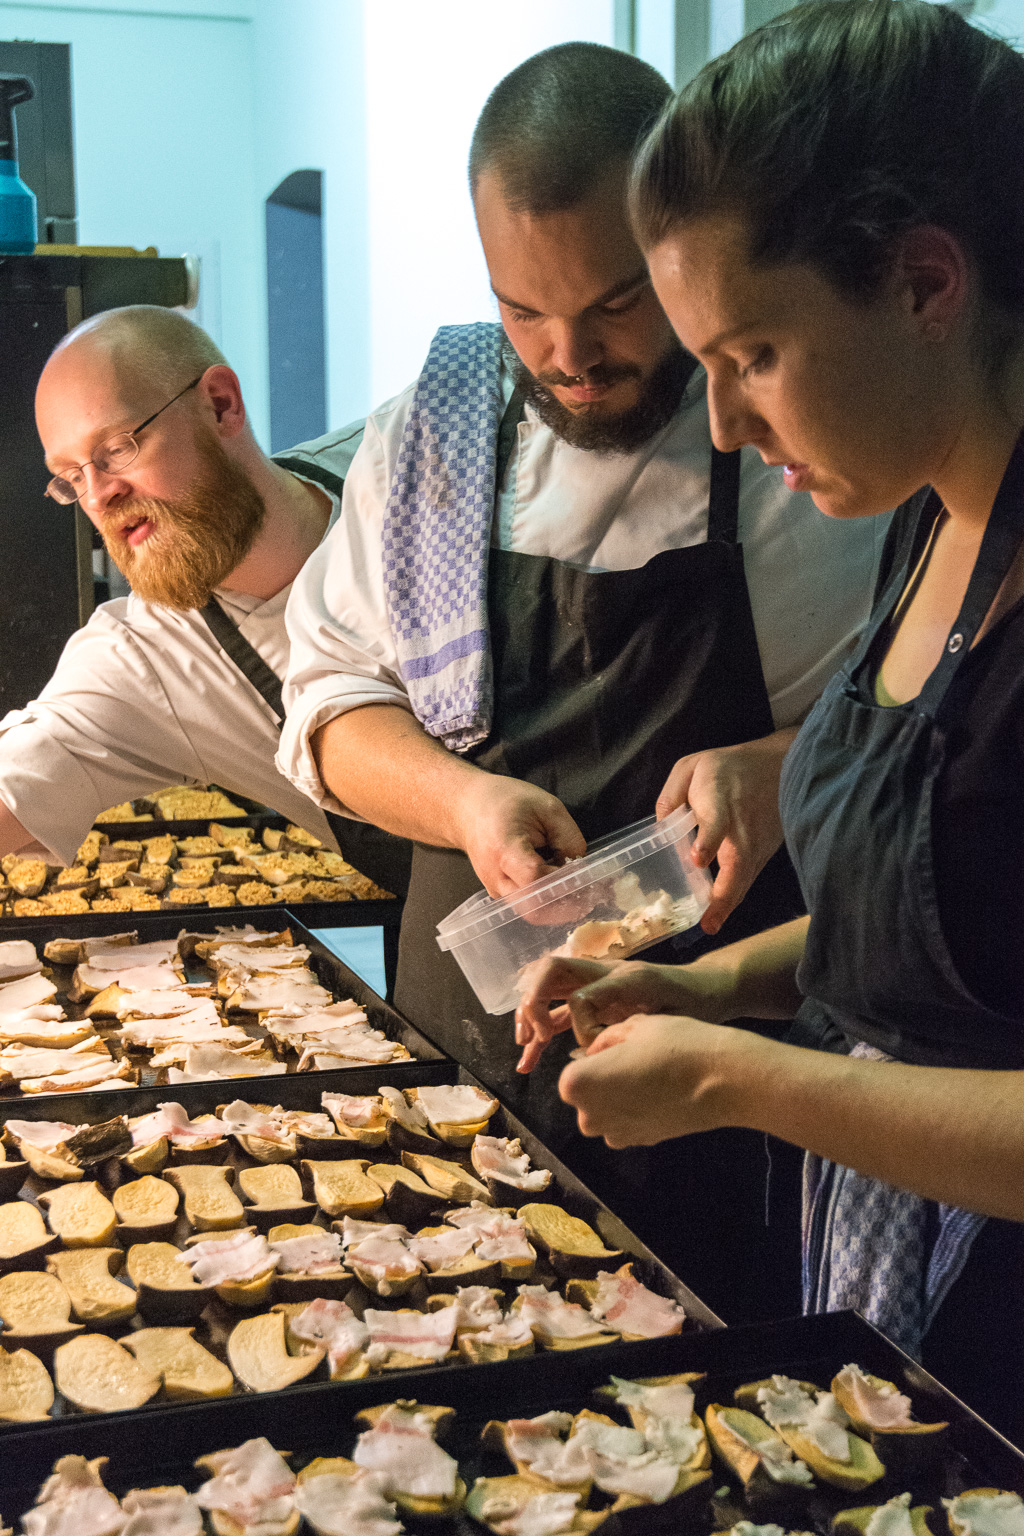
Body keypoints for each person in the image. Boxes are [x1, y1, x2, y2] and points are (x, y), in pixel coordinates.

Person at [279, 43, 888, 1312]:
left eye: (615, 304)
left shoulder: (801, 432)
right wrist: (465, 805)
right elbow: (329, 705)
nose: (568, 354)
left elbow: (916, 705)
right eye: (521, 309)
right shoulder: (428, 440)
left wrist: (783, 770)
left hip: (734, 1044)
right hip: (471, 1035)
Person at [517, 0, 1024, 1440]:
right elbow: (947, 925)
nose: (726, 428)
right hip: (887, 1277)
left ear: (927, 281)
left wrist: (747, 1078)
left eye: (751, 356)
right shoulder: (926, 523)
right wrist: (708, 987)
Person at [0, 304, 409, 896]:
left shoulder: (407, 464)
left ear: (221, 404)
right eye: (71, 477)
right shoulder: (149, 656)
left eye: (115, 450)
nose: (100, 497)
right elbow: (19, 776)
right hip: (468, 933)